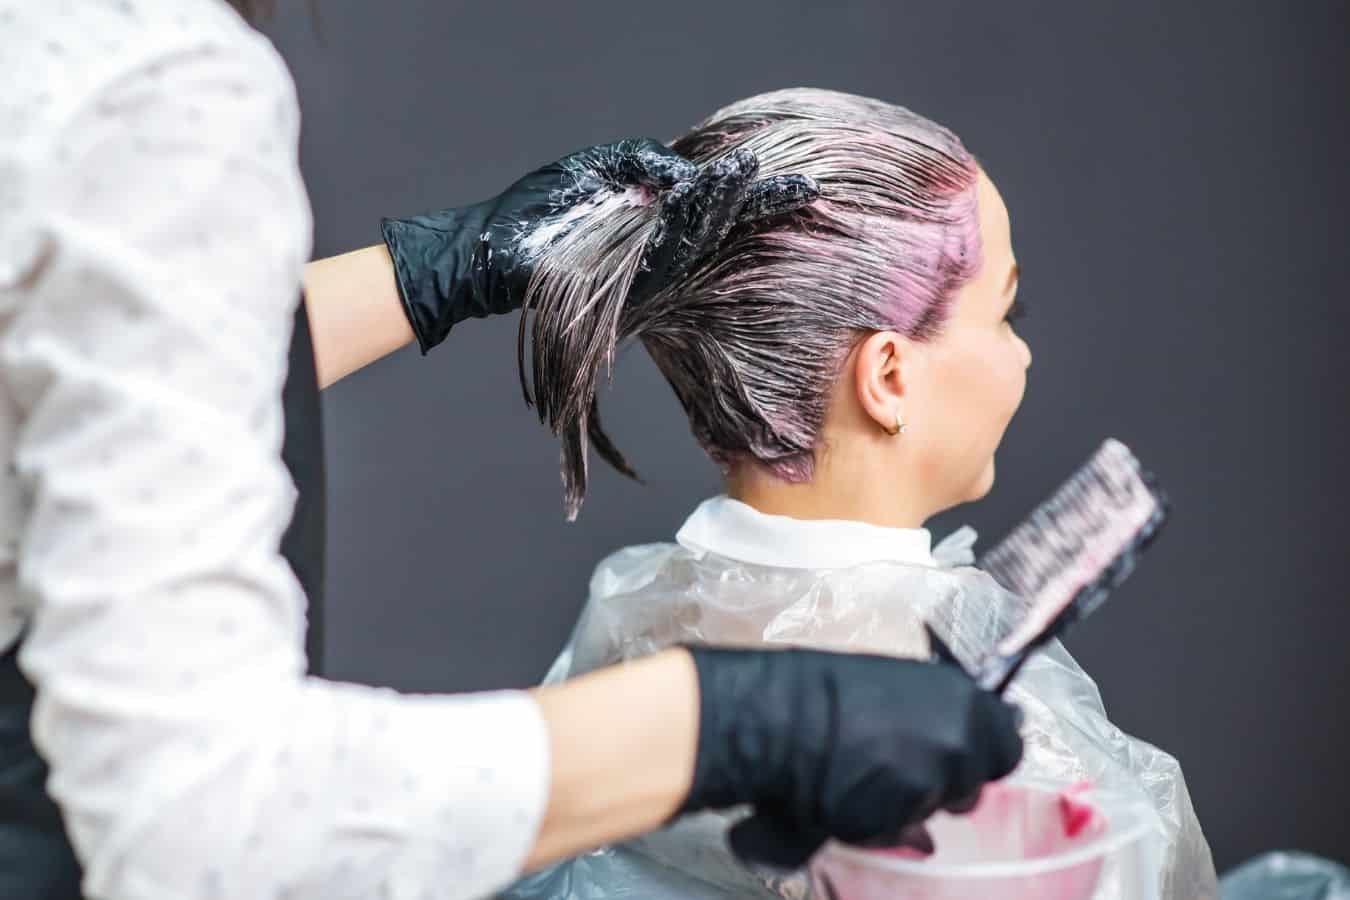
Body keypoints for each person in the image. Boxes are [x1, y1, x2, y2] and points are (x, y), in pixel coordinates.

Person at [0, 3, 1023, 899]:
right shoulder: (134, 87)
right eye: (1006, 312)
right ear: (886, 375)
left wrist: (433, 269)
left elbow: (69, 372)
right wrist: (720, 722)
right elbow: (198, 822)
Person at [504, 88, 1219, 898]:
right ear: (887, 377)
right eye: (1006, 313)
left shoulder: (633, 613)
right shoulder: (965, 745)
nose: (1022, 356)